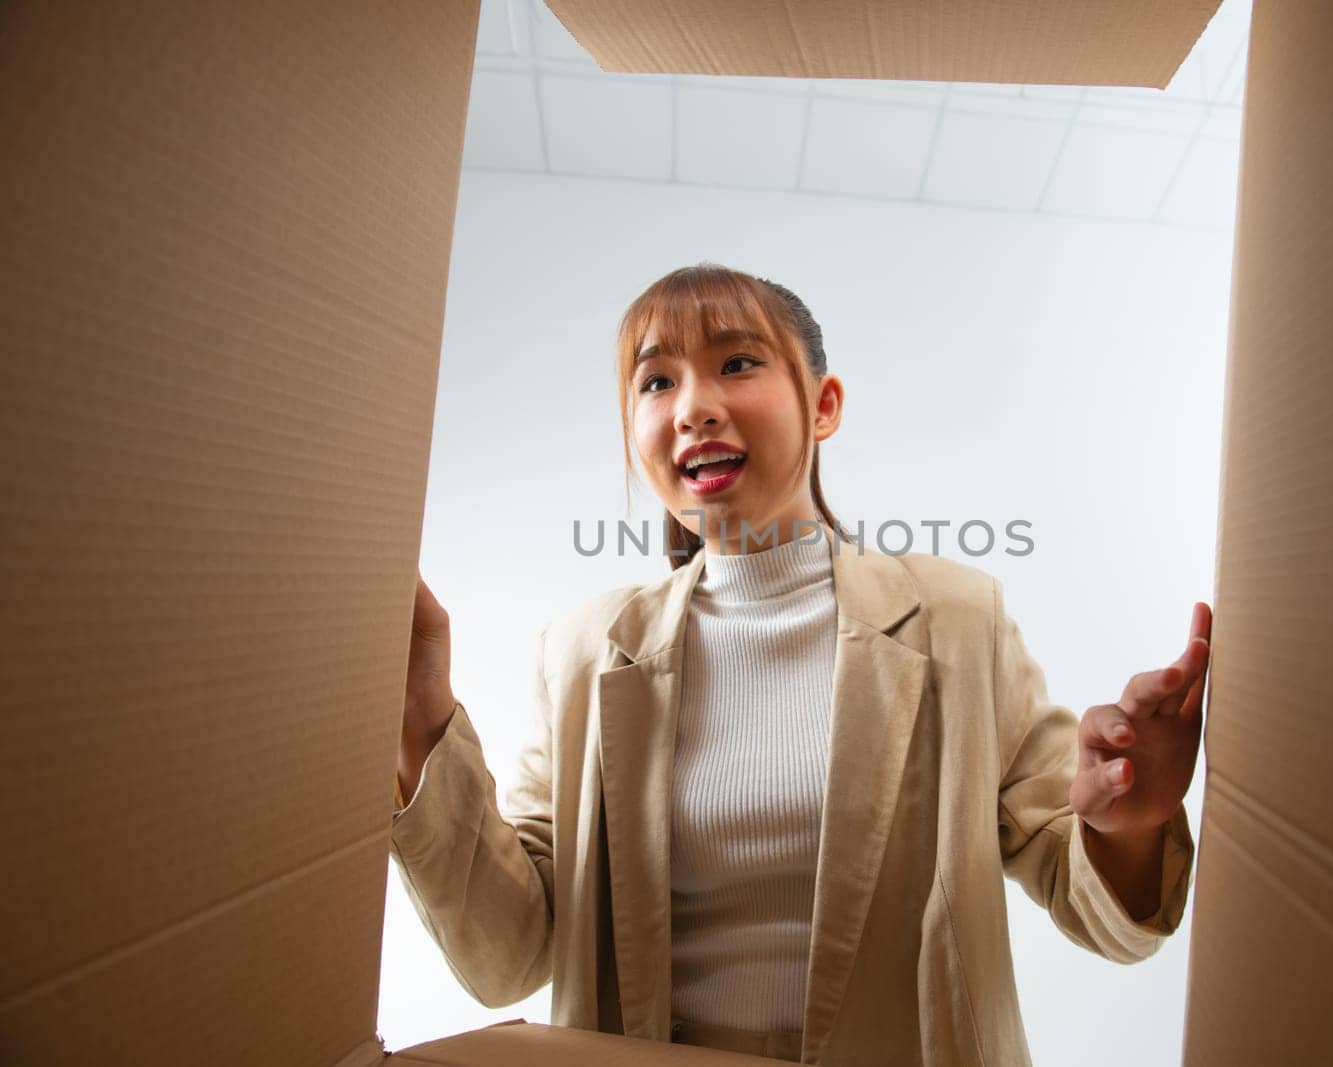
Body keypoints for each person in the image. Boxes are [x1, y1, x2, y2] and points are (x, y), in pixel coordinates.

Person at [389, 263, 1208, 1065]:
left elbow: (1094, 900)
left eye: (737, 363)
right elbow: (509, 955)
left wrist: (1127, 823)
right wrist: (423, 725)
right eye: (656, 383)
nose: (693, 408)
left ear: (824, 406)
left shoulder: (959, 620)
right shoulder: (581, 651)